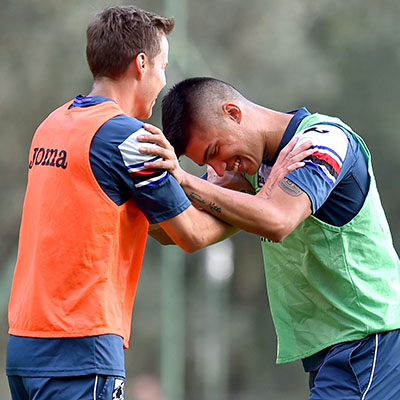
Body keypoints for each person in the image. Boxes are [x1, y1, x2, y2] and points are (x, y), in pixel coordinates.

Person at [6, 7, 311, 400]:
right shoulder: (131, 140)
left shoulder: (51, 126)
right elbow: (190, 234)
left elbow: (154, 226)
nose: (162, 81)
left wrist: (202, 187)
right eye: (163, 68)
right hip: (83, 347)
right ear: (141, 64)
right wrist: (257, 191)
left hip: (24, 344)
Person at [138, 76, 400, 399]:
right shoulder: (249, 170)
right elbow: (179, 233)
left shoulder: (323, 142)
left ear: (233, 112)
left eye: (215, 151)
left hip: (369, 341)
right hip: (332, 351)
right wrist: (137, 188)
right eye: (208, 164)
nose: (219, 169)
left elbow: (278, 219)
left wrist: (187, 182)